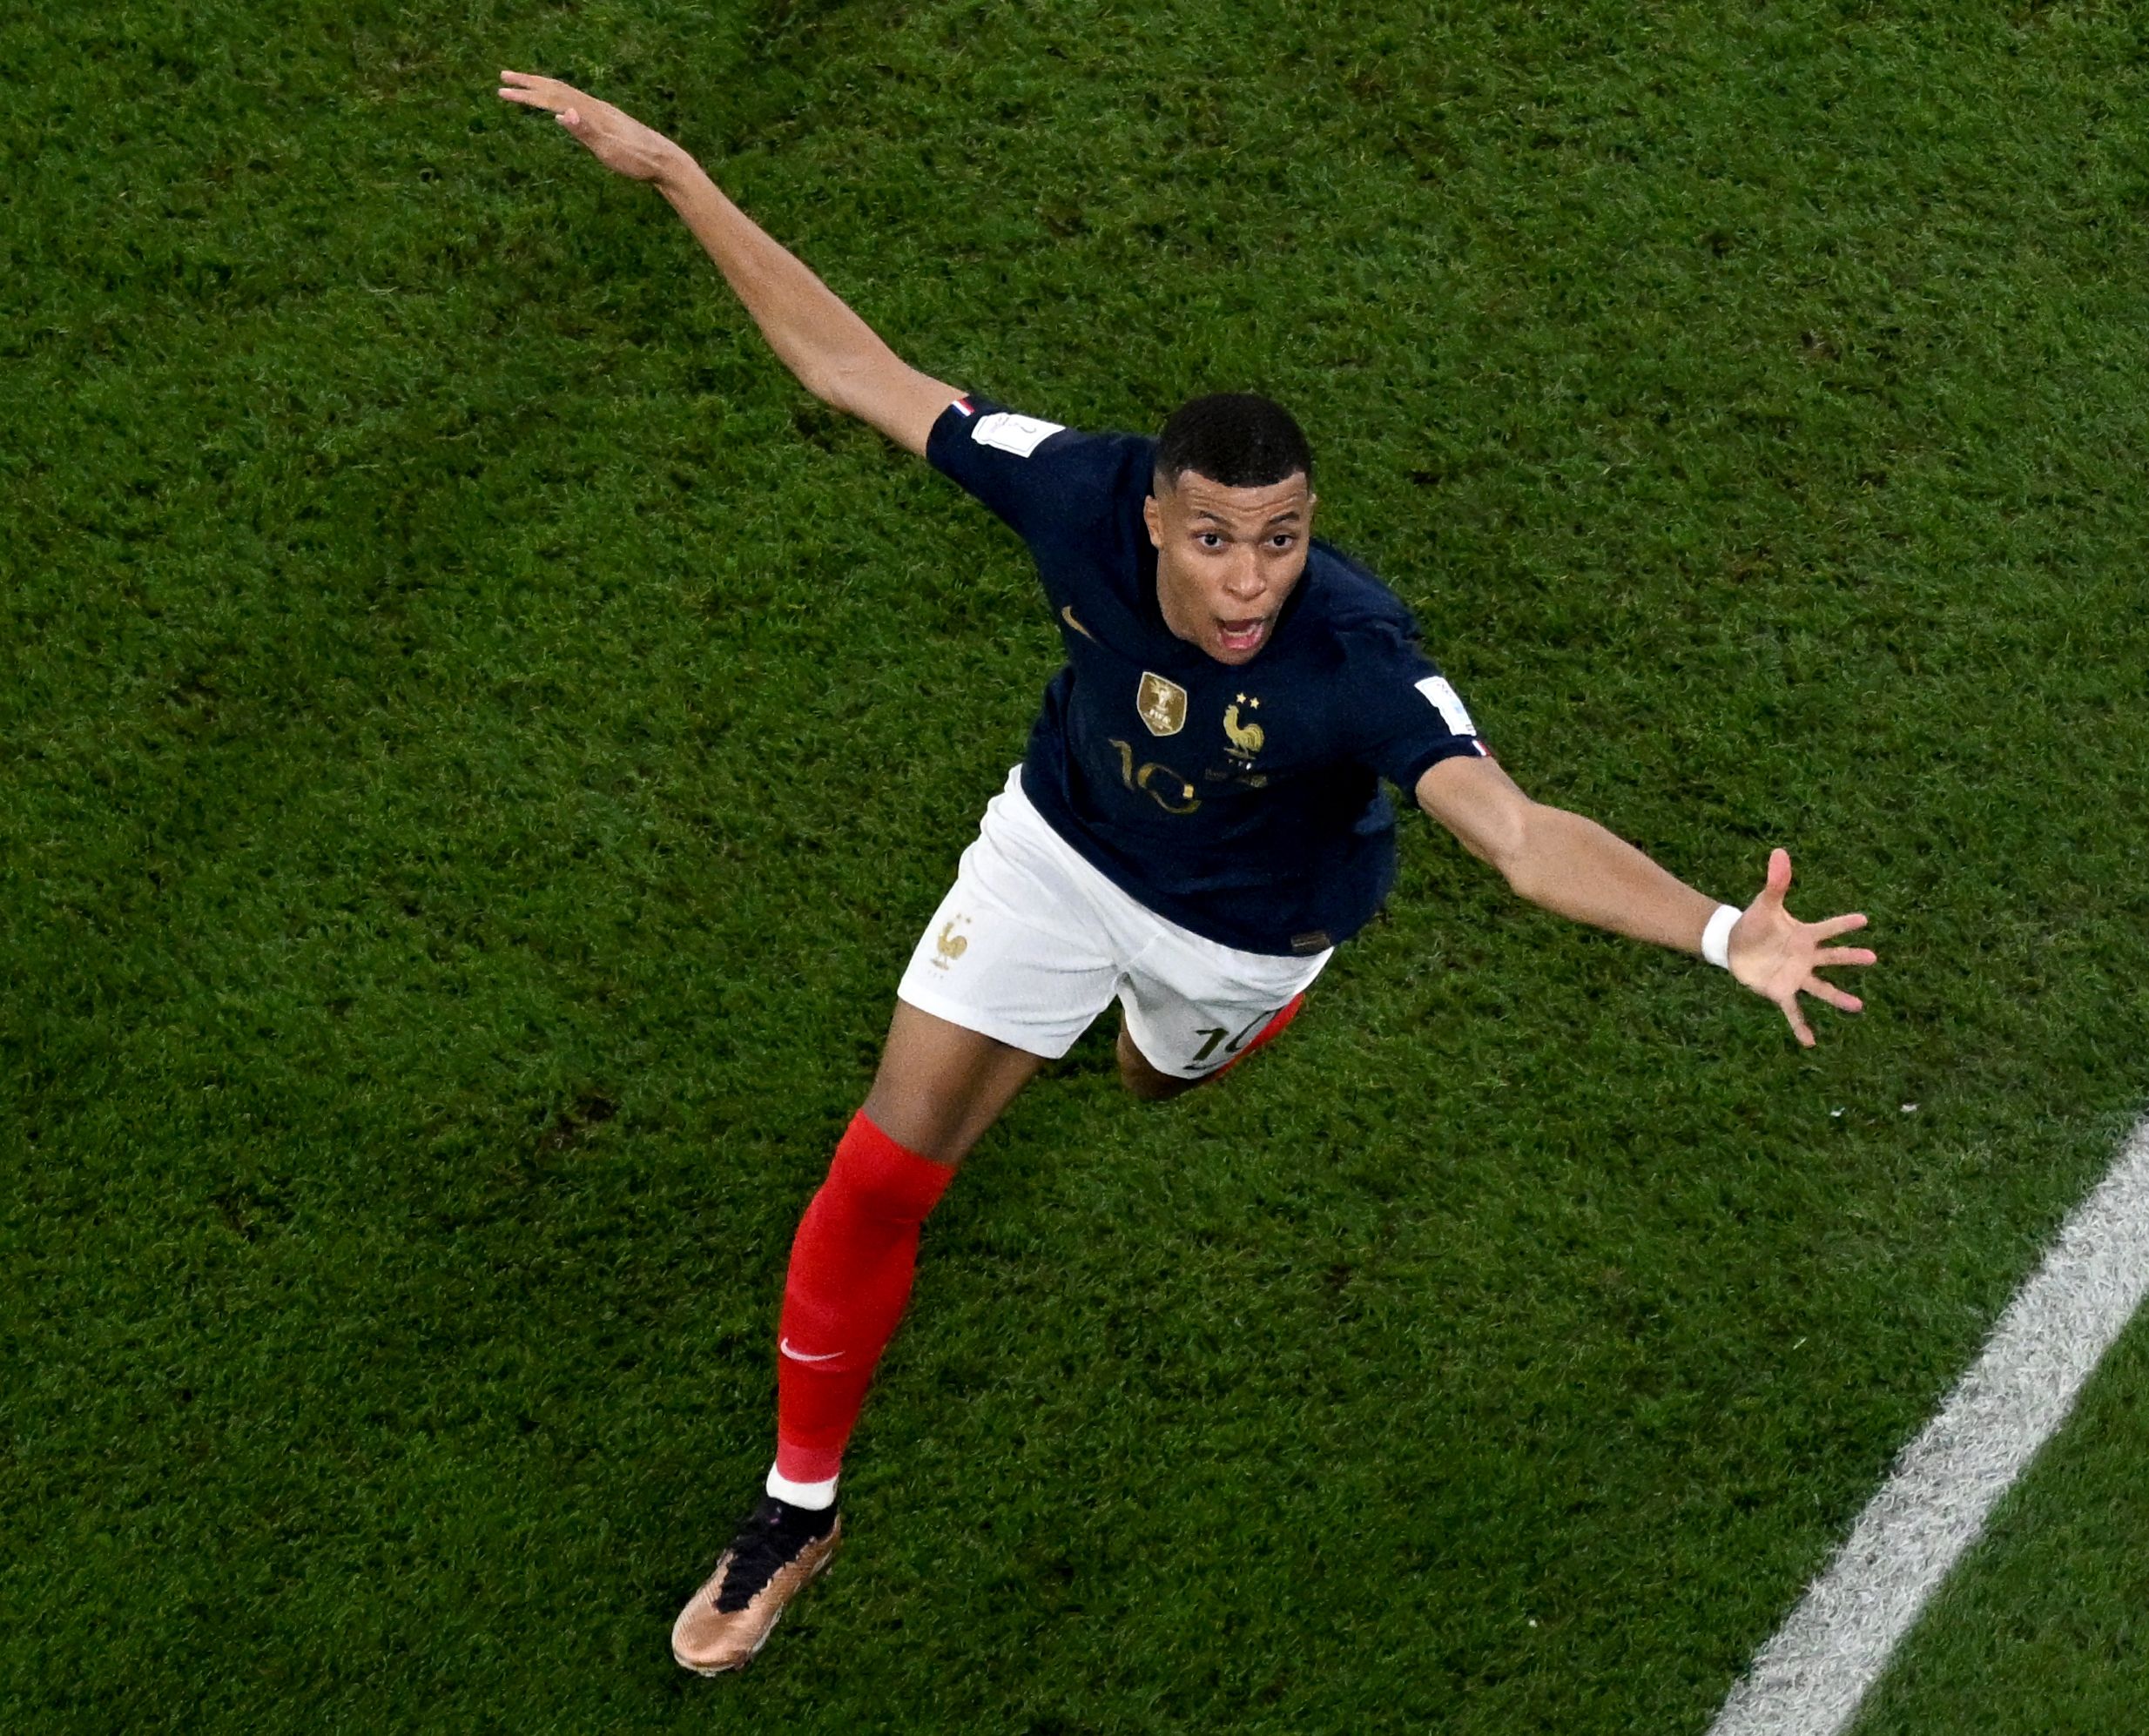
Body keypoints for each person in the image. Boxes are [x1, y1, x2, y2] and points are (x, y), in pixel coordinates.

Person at [497, 70, 1879, 1675]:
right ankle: (796, 1506)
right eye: (1217, 539)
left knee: (1156, 1083)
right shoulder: (1069, 489)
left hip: (1242, 936)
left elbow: (1512, 835)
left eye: (1282, 538)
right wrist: (674, 171)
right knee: (883, 1166)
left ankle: (1199, 1039)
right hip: (1059, 847)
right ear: (1152, 512)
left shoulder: (1356, 654)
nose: (1249, 581)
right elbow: (848, 366)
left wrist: (1723, 933)